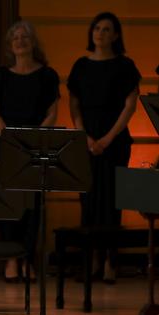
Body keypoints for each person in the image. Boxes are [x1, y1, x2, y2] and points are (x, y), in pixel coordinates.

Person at [68, 12, 140, 284]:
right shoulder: (81, 66)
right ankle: (92, 259)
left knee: (112, 201)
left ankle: (111, 259)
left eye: (107, 29)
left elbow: (130, 106)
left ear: (116, 35)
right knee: (88, 200)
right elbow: (74, 105)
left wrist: (107, 139)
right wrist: (84, 136)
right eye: (97, 28)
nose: (100, 33)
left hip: (116, 139)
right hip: (85, 139)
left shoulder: (125, 65)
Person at [0, 20, 59, 283]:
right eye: (15, 37)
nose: (20, 40)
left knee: (33, 206)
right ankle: (11, 260)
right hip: (9, 148)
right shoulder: (2, 76)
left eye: (25, 36)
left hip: (37, 149)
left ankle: (28, 258)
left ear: (33, 42)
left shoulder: (47, 75)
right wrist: (10, 139)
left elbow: (52, 112)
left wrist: (34, 140)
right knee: (9, 204)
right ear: (10, 45)